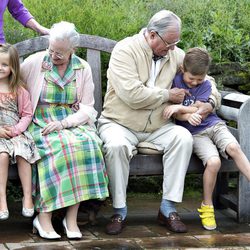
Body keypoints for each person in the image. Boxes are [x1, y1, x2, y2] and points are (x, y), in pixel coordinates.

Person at [98, 10, 221, 235]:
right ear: (153, 35)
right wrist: (167, 95)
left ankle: (168, 209)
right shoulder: (125, 50)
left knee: (183, 137)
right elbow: (132, 95)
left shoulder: (175, 55)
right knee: (116, 146)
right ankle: (119, 211)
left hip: (158, 127)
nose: (174, 48)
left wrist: (211, 102)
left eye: (177, 43)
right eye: (170, 43)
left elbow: (207, 80)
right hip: (119, 123)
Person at [20, 21, 109, 240]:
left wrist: (65, 123)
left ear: (73, 50)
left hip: (70, 121)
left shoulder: (82, 68)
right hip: (39, 121)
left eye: (60, 53)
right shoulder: (34, 63)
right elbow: (15, 89)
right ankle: (44, 217)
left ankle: (71, 218)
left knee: (87, 145)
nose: (53, 55)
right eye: (51, 50)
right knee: (59, 148)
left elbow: (88, 108)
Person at [163, 47, 250, 231]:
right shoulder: (174, 83)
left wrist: (179, 109)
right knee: (213, 162)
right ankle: (207, 206)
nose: (195, 83)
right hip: (195, 134)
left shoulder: (206, 84)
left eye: (199, 79)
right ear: (182, 70)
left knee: (234, 147)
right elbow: (174, 113)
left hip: (214, 125)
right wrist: (182, 114)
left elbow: (201, 107)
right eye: (191, 79)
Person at [0, 43, 40, 221]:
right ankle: (2, 199)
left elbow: (27, 114)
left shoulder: (19, 90)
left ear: (13, 67)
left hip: (16, 133)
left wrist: (16, 130)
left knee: (24, 154)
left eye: (4, 65)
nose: (0, 68)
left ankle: (28, 197)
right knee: (1, 155)